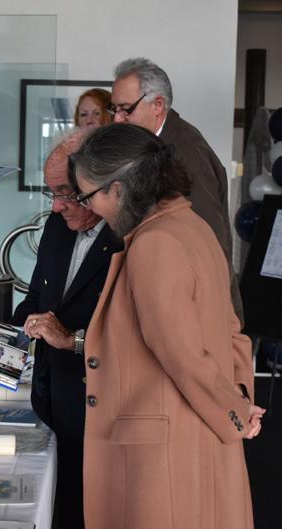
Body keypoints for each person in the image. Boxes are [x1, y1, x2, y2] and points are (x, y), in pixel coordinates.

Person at [68, 123, 263, 529]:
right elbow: (231, 330)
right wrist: (239, 397)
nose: (89, 209)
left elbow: (181, 353)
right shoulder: (193, 226)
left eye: (87, 196)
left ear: (118, 190)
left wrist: (237, 412)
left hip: (165, 453)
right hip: (199, 432)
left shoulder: (155, 242)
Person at [10, 130, 122, 529]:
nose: (56, 206)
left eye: (66, 193)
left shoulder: (128, 239)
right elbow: (36, 300)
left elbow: (131, 339)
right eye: (51, 192)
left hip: (99, 407)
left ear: (96, 186)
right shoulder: (57, 226)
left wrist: (69, 338)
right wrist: (9, 333)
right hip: (50, 399)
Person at [109, 57, 243, 323]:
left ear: (158, 105)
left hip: (198, 312)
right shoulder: (155, 145)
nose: (117, 119)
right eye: (114, 109)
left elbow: (209, 241)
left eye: (126, 109)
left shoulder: (185, 155)